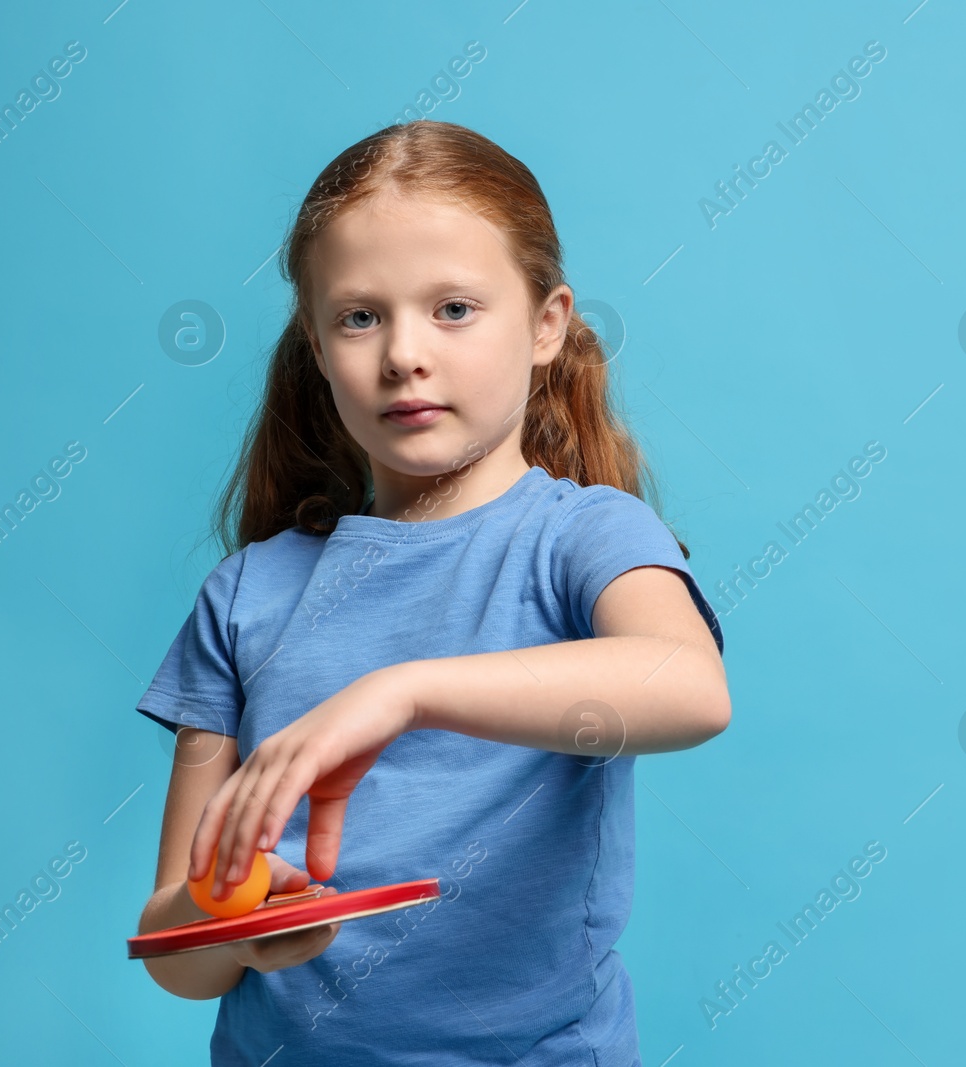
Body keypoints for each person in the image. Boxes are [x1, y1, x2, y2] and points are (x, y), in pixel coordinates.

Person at [132, 119, 731, 1066]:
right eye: (359, 316)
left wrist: (400, 690)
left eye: (454, 308)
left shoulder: (587, 538)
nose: (404, 353)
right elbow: (175, 950)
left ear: (547, 325)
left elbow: (690, 688)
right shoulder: (244, 595)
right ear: (319, 348)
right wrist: (234, 918)